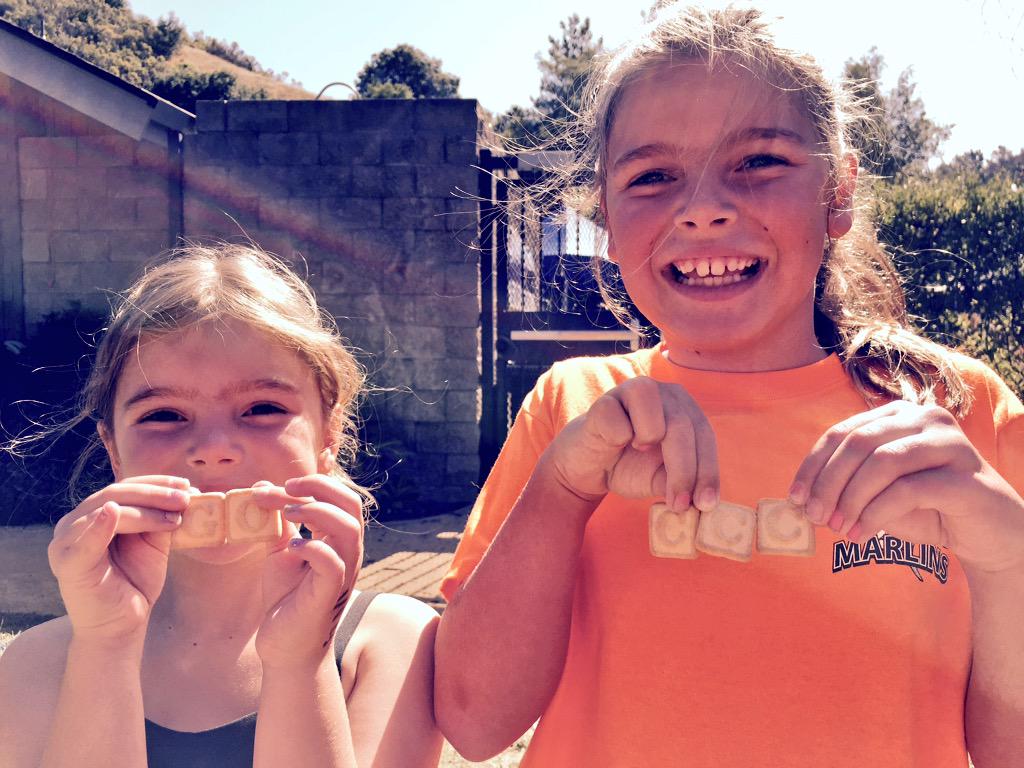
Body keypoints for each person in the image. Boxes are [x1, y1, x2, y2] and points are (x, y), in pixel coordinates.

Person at [433, 5, 1024, 767]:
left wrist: (1008, 558)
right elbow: (474, 725)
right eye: (653, 176)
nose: (704, 208)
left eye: (759, 162)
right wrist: (563, 491)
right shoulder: (570, 410)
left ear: (837, 192)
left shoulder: (963, 416)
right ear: (607, 221)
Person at [0, 244, 442, 768]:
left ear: (329, 435)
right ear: (113, 449)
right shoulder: (38, 663)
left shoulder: (390, 643)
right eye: (164, 415)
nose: (213, 448)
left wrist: (300, 663)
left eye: (262, 408)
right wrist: (106, 647)